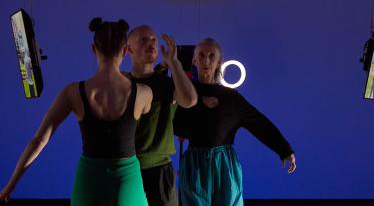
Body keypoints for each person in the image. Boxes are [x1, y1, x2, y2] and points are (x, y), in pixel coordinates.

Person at [0, 18, 152, 206]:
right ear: (125, 51)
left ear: (93, 49)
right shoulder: (144, 94)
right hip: (127, 183)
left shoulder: (72, 92)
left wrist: (11, 185)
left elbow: (38, 140)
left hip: (89, 182)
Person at [173, 38, 297, 206]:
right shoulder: (184, 94)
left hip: (225, 164)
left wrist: (284, 149)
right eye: (201, 55)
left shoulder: (231, 98)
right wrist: (199, 102)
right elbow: (177, 125)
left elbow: (258, 122)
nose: (206, 60)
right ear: (194, 60)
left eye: (211, 56)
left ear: (219, 62)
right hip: (195, 163)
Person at [126, 25, 197, 206]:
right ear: (129, 49)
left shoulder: (167, 84)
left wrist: (174, 64)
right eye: (143, 39)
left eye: (153, 39)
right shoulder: (122, 84)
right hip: (125, 170)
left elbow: (189, 100)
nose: (151, 43)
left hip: (159, 173)